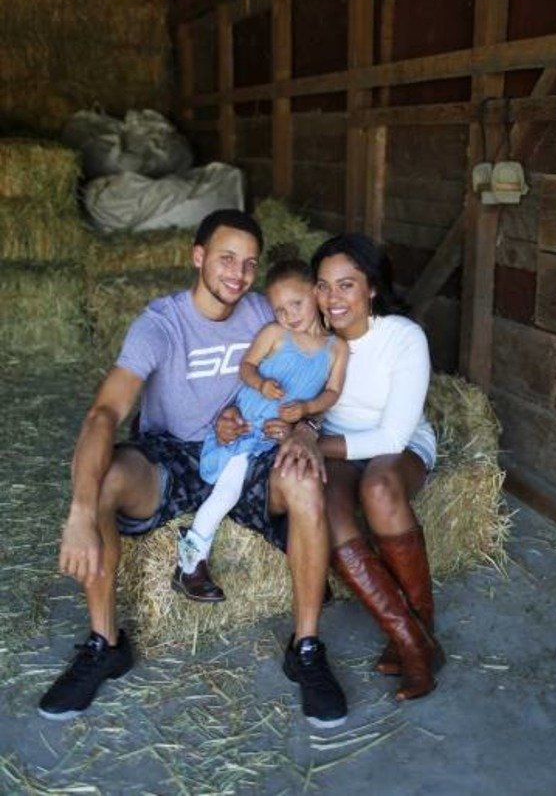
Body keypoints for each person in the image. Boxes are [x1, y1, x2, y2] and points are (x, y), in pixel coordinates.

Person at [38, 209, 347, 729]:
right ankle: (104, 643)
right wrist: (79, 511)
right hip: (171, 453)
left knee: (305, 480)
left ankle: (307, 646)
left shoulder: (267, 313)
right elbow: (104, 414)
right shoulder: (160, 324)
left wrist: (304, 432)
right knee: (107, 479)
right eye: (226, 258)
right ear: (197, 256)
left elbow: (313, 371)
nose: (238, 273)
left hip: (250, 449)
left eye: (249, 263)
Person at [310, 233, 444, 701]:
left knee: (380, 489)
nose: (333, 298)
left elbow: (390, 437)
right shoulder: (315, 339)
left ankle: (421, 626)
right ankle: (414, 643)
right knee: (324, 505)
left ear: (370, 287)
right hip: (338, 445)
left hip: (399, 443)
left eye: (346, 285)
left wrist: (314, 443)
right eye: (323, 286)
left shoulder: (403, 337)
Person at [173, 258, 348, 603]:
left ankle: (309, 568)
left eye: (296, 304)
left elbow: (333, 392)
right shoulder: (275, 334)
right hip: (246, 429)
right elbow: (247, 367)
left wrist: (305, 411)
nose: (289, 315)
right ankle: (191, 556)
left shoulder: (336, 349)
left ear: (316, 293)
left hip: (278, 437)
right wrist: (262, 383)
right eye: (279, 309)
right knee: (228, 491)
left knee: (303, 489)